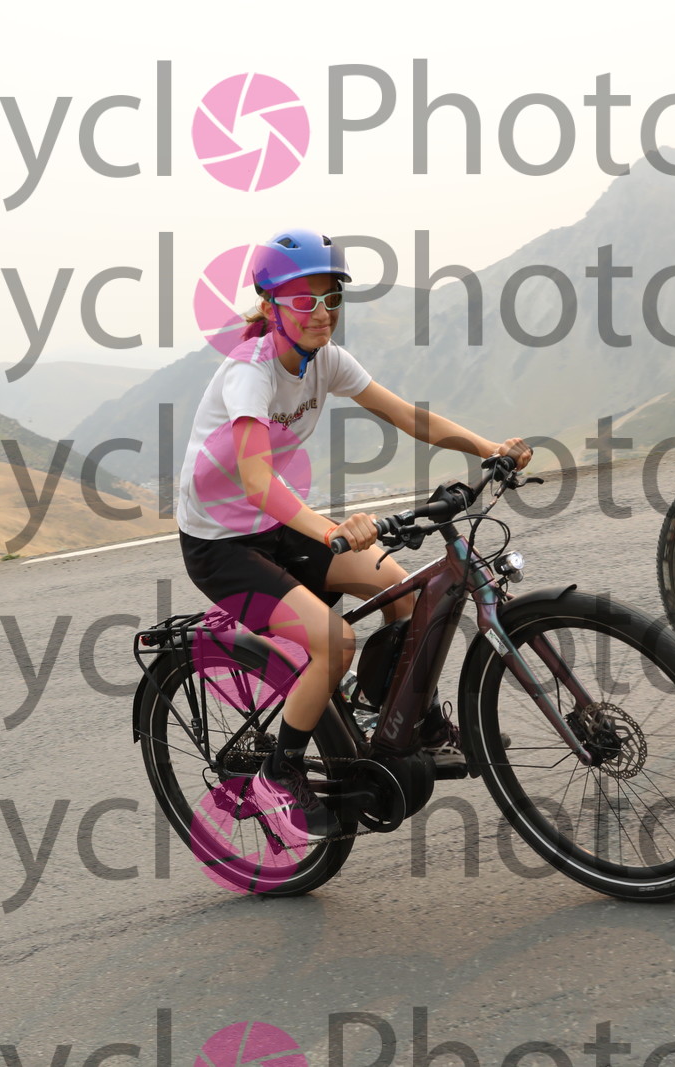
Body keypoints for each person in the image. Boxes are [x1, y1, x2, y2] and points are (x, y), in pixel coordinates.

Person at [176, 228, 532, 844]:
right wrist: (333, 530)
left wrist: (488, 447)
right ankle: (276, 776)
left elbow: (405, 415)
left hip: (277, 527)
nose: (322, 313)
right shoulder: (250, 376)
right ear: (271, 306)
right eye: (304, 300)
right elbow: (256, 481)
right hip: (220, 545)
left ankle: (396, 720)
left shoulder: (327, 361)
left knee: (408, 590)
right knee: (334, 641)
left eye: (332, 298)